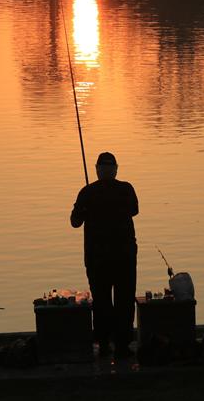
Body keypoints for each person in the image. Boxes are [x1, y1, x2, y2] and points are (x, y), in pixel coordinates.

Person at [71, 152, 139, 359]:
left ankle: (103, 344)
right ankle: (122, 345)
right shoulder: (125, 189)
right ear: (115, 169)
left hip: (99, 257)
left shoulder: (88, 192)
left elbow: (75, 222)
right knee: (123, 301)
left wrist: (86, 207)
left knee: (102, 301)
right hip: (121, 257)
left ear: (97, 170)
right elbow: (134, 210)